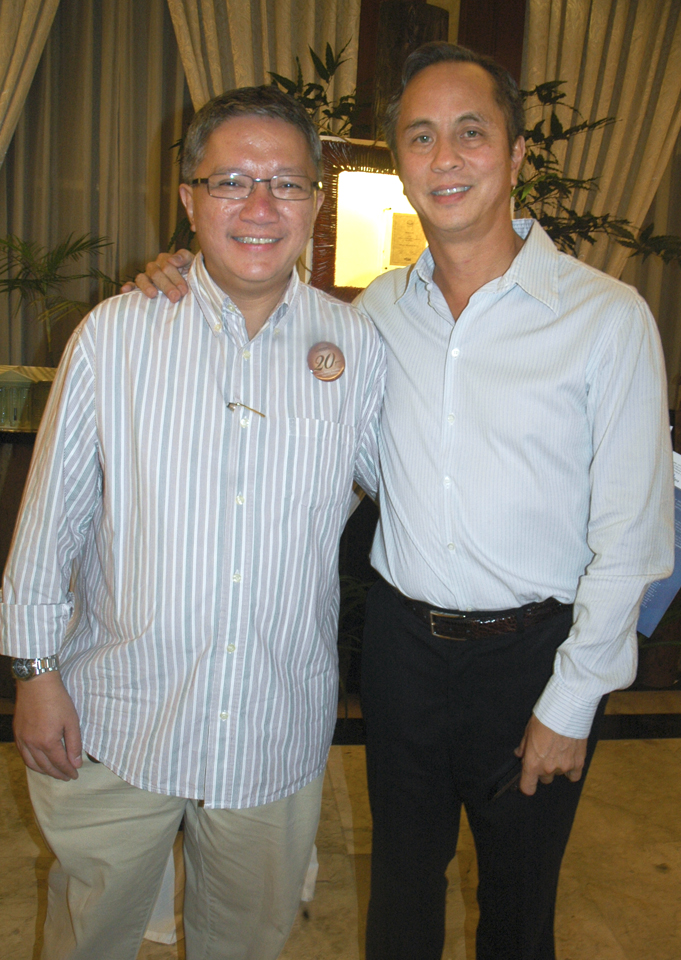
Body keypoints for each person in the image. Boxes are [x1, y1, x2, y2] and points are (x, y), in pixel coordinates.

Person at [129, 43, 674, 960]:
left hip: (534, 657)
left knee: (517, 911)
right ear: (398, 162)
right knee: (400, 895)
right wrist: (185, 277)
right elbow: (289, 366)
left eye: (470, 132)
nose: (444, 157)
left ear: (516, 153)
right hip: (402, 651)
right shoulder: (372, 315)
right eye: (419, 137)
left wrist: (572, 700)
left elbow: (634, 535)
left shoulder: (604, 318)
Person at [0, 85, 385, 960]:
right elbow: (50, 517)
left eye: (286, 183)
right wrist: (33, 672)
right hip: (118, 719)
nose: (259, 206)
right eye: (230, 182)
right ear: (188, 198)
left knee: (245, 944)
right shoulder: (117, 334)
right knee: (88, 936)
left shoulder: (357, 347)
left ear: (316, 202)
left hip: (273, 727)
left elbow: (415, 492)